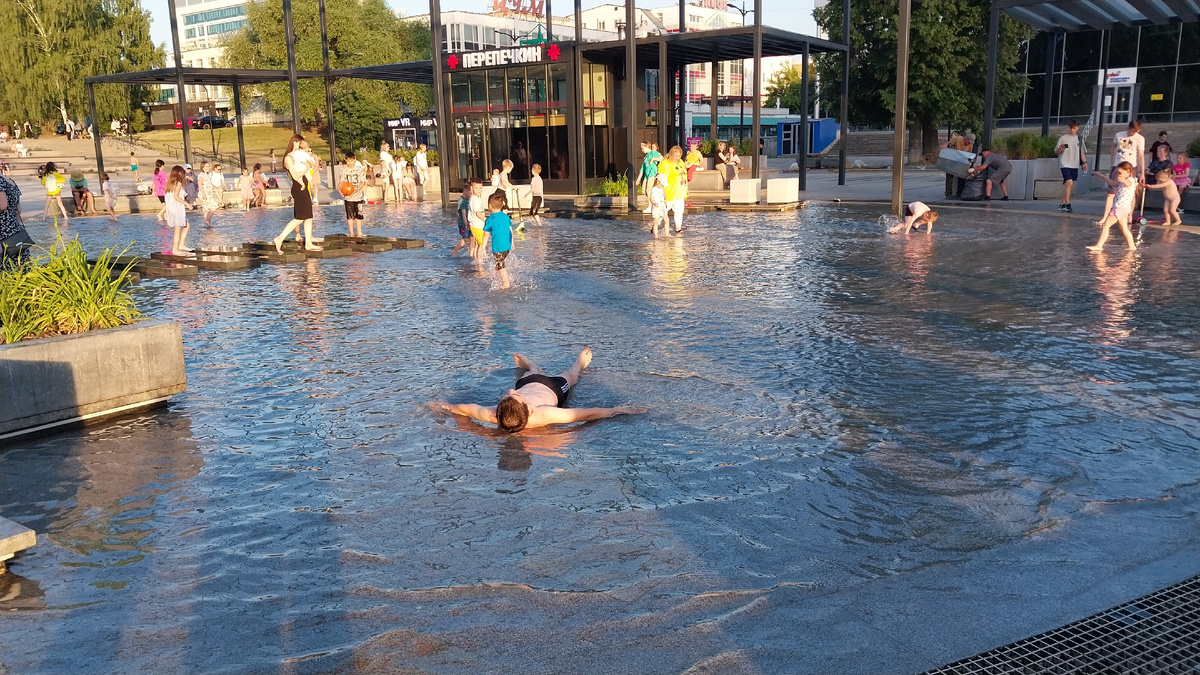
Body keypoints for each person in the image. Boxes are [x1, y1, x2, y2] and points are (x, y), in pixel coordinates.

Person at [432, 347, 646, 434]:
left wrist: (444, 407)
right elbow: (588, 413)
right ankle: (579, 363)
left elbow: (465, 409)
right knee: (570, 376)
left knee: (524, 380)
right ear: (529, 409)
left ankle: (532, 367)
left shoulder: (494, 414)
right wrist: (619, 409)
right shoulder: (546, 413)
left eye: (506, 396)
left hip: (530, 382)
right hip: (552, 387)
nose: (509, 390)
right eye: (512, 396)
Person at [273, 134, 321, 253]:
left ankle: (308, 243)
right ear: (295, 142)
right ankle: (279, 238)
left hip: (305, 187)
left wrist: (313, 165)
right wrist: (306, 167)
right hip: (298, 188)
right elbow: (295, 175)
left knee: (309, 217)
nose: (301, 146)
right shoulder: (289, 158)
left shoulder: (298, 156)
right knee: (299, 218)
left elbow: (310, 170)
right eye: (300, 143)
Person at [1088, 161, 1138, 252]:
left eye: (1120, 173)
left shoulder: (1130, 180)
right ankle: (1132, 246)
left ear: (1128, 171)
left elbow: (1129, 184)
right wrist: (1102, 176)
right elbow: (1113, 183)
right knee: (1123, 228)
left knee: (1106, 225)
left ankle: (1099, 246)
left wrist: (1123, 180)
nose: (1118, 175)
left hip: (1119, 208)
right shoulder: (1124, 180)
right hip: (1124, 208)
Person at [1104, 120, 1145, 216]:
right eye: (1131, 131)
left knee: (1131, 191)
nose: (1132, 133)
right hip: (1118, 165)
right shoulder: (1119, 135)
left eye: (1135, 132)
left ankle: (1129, 215)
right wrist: (1112, 162)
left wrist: (1142, 172)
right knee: (1111, 191)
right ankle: (1106, 215)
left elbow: (1141, 155)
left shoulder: (1140, 139)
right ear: (1128, 128)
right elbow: (1113, 147)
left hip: (1131, 167)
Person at [0, 172, 34, 271]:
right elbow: (18, 211)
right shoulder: (10, 181)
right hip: (16, 230)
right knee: (22, 267)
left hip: (3, 231)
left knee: (5, 268)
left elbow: (2, 205)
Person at [483, 192, 514, 290]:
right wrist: (512, 243)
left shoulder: (490, 219)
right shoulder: (505, 216)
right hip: (507, 246)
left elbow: (486, 234)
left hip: (498, 248)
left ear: (489, 206)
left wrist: (482, 247)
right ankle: (496, 278)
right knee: (499, 264)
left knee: (501, 266)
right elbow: (511, 230)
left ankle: (506, 284)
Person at [1055, 120, 1088, 213]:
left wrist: (1085, 163)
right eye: (1070, 128)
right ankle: (1067, 204)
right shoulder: (1063, 138)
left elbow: (1082, 152)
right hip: (1064, 163)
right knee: (1069, 183)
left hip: (1074, 164)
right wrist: (1060, 149)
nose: (1072, 130)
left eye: (1074, 128)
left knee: (1069, 185)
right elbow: (1056, 151)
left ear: (1077, 128)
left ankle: (1062, 204)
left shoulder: (1079, 139)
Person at [658, 145, 687, 236]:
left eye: (679, 156)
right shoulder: (665, 163)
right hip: (669, 192)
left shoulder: (680, 162)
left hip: (679, 192)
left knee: (679, 211)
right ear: (671, 154)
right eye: (675, 156)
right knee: (662, 211)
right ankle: (655, 226)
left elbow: (684, 176)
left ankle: (678, 228)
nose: (677, 158)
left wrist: (686, 190)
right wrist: (663, 193)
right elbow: (662, 179)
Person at [164, 165, 191, 255]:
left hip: (171, 208)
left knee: (187, 225)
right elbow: (176, 196)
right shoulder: (178, 182)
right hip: (177, 208)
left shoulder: (169, 182)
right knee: (178, 228)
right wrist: (187, 203)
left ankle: (181, 245)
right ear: (179, 173)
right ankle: (175, 249)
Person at [341, 152, 367, 237]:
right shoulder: (343, 170)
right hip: (348, 196)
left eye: (352, 161)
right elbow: (342, 182)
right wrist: (340, 189)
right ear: (346, 160)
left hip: (358, 196)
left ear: (355, 160)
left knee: (359, 215)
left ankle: (359, 231)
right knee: (350, 215)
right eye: (348, 161)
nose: (350, 163)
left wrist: (357, 189)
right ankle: (351, 232)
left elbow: (363, 182)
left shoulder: (359, 169)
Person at [637, 141, 661, 212]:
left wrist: (653, 159)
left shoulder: (653, 153)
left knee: (648, 189)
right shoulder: (646, 157)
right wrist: (638, 179)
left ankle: (650, 206)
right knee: (644, 190)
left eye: (643, 148)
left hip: (652, 173)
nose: (642, 150)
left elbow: (661, 157)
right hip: (646, 175)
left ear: (647, 147)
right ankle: (653, 201)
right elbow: (642, 169)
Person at [468, 178, 487, 261]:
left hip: (475, 225)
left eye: (480, 188)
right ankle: (480, 262)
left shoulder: (474, 198)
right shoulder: (475, 200)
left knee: (477, 244)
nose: (479, 190)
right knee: (482, 245)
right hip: (478, 225)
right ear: (471, 188)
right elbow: (478, 213)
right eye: (476, 188)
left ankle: (475, 258)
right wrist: (487, 220)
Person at [451, 183, 472, 257]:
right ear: (465, 191)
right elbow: (463, 213)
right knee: (465, 239)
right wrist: (466, 224)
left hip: (470, 222)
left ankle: (471, 254)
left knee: (472, 238)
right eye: (470, 192)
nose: (471, 195)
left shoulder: (469, 199)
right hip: (463, 223)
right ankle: (455, 250)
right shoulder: (461, 200)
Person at [197, 161, 220, 228]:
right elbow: (199, 184)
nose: (208, 168)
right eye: (206, 166)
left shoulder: (207, 175)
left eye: (208, 166)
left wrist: (215, 188)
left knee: (206, 209)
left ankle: (207, 224)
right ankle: (207, 220)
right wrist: (203, 193)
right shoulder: (201, 175)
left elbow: (209, 184)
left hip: (209, 194)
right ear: (202, 167)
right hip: (205, 194)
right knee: (214, 206)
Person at [499, 159, 520, 223]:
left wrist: (513, 187)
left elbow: (508, 183)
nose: (510, 170)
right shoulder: (503, 174)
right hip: (500, 192)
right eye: (510, 169)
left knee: (506, 207)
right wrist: (511, 188)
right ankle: (502, 220)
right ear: (507, 167)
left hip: (503, 192)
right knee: (504, 207)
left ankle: (503, 219)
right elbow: (504, 182)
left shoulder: (505, 174)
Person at [649, 173, 668, 238]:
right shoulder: (654, 189)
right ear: (658, 182)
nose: (662, 186)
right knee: (656, 222)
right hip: (656, 206)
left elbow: (665, 197)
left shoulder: (662, 189)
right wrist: (654, 203)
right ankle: (656, 236)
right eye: (662, 185)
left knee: (667, 220)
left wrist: (665, 201)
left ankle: (666, 234)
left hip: (662, 206)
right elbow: (651, 198)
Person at [529, 163, 545, 227]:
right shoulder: (540, 179)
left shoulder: (534, 179)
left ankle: (539, 224)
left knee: (533, 212)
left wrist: (527, 194)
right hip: (540, 196)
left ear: (533, 170)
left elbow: (533, 188)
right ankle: (538, 224)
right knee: (535, 212)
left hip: (536, 196)